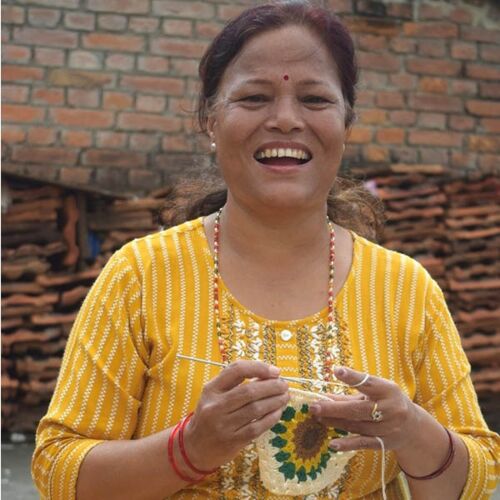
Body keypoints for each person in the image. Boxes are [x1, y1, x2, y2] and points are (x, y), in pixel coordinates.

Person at [32, 2, 499, 499]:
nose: (285, 120)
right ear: (210, 121)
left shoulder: (405, 290)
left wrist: (413, 433)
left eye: (315, 99)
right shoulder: (141, 277)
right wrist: (189, 448)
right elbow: (59, 470)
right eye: (254, 97)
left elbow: (475, 478)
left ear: (346, 124)